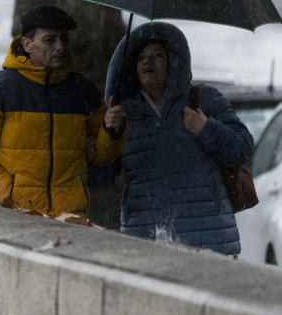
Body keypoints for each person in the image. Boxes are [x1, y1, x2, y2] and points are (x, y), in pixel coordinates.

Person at [0, 5, 125, 216]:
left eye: (64, 39)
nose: (60, 47)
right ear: (27, 44)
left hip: (71, 217)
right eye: (50, 40)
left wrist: (112, 132)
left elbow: (102, 157)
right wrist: (9, 194)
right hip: (17, 217)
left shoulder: (83, 91)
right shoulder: (0, 88)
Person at [103, 21, 253, 255]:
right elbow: (101, 177)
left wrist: (206, 129)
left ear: (173, 63)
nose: (148, 61)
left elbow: (243, 149)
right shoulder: (122, 114)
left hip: (209, 242)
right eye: (141, 57)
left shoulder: (205, 98)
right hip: (145, 242)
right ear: (132, 67)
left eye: (157, 55)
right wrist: (110, 134)